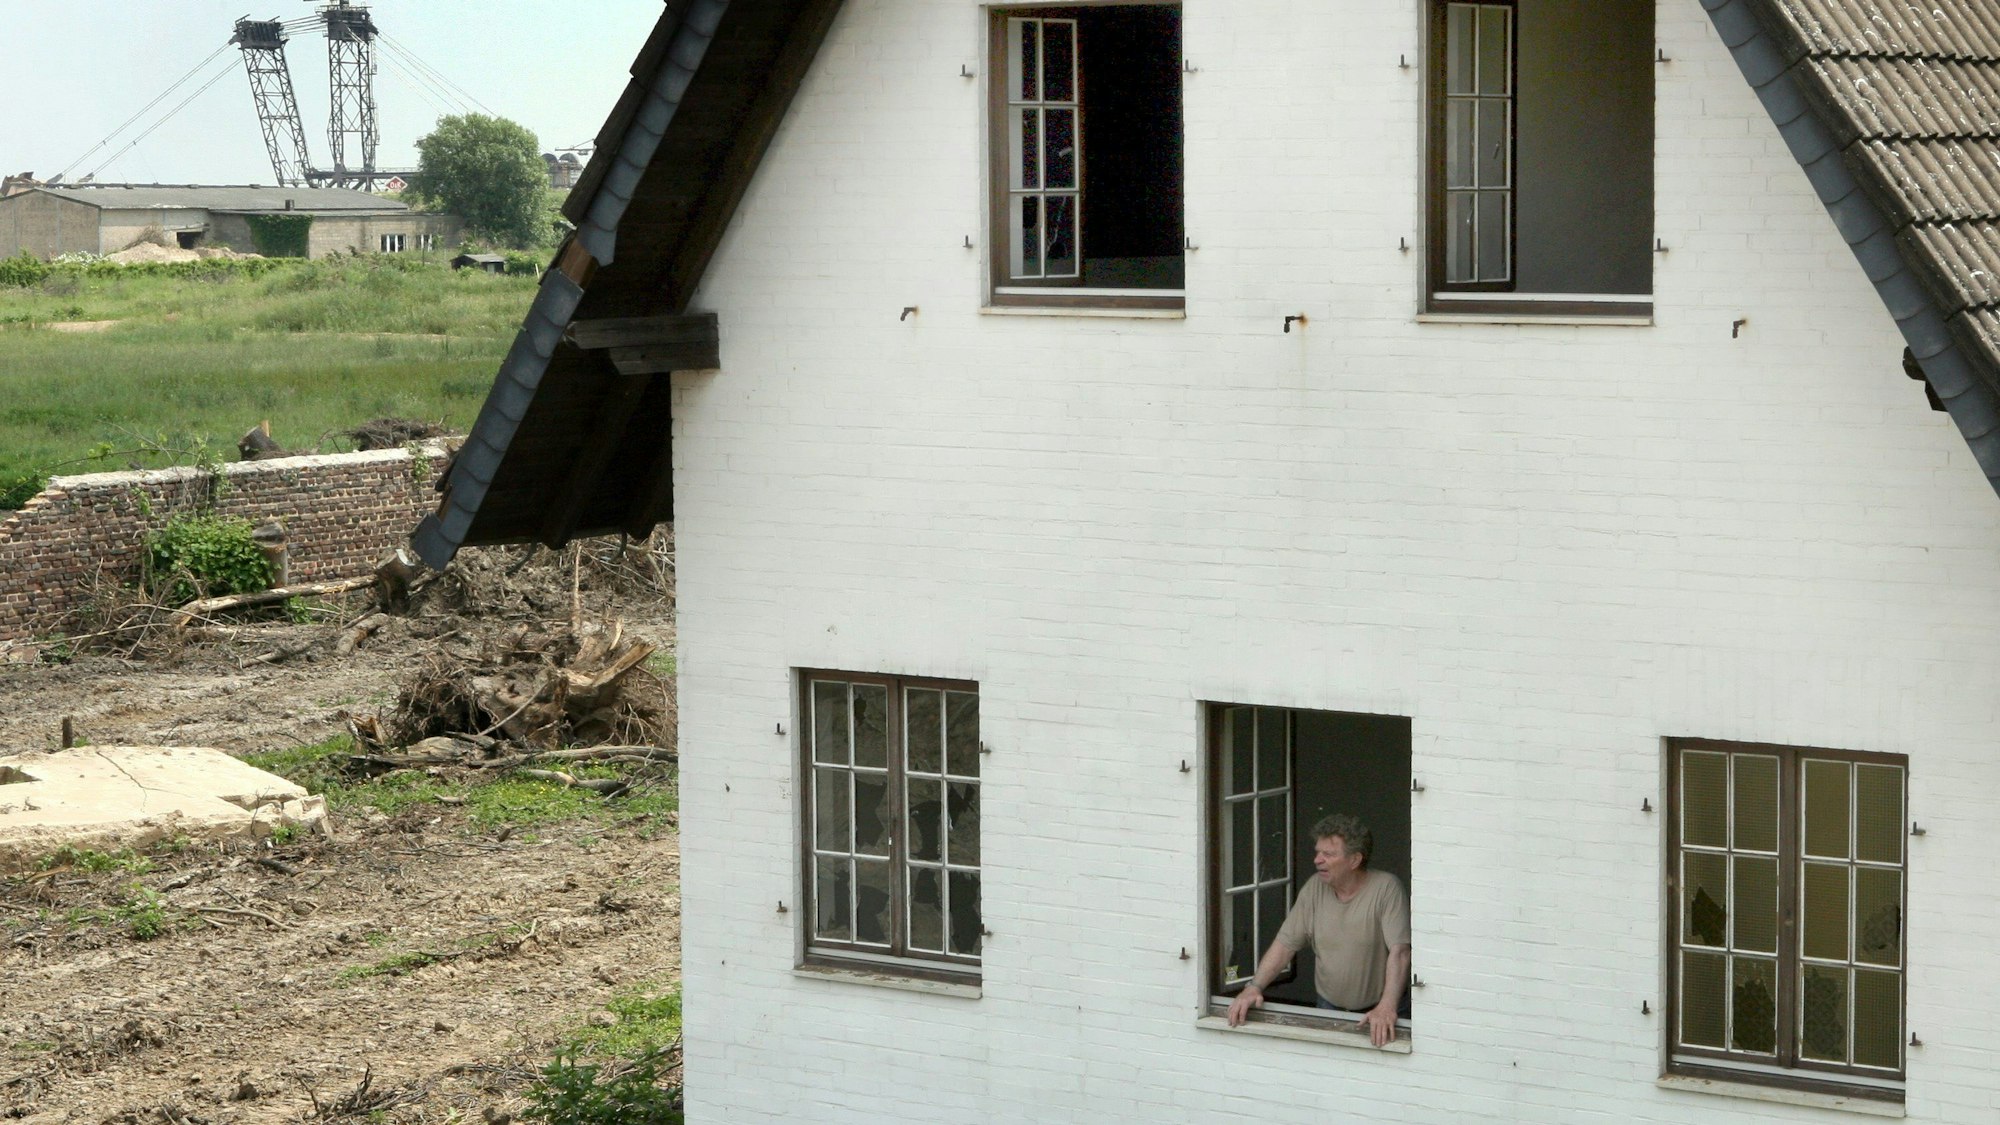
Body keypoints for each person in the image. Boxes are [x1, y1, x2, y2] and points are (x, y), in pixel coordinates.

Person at [1225, 814, 1411, 1047]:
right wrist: (1254, 987)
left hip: (1380, 1011)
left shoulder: (1386, 888)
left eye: (1328, 854)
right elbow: (1285, 945)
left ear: (1354, 860)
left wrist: (1387, 1006)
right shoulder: (1315, 887)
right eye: (1318, 852)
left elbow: (1401, 952)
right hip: (1328, 1009)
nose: (1317, 860)